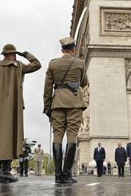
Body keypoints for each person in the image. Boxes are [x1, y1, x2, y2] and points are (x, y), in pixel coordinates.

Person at [0, 44, 41, 183]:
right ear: (14, 54)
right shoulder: (18, 66)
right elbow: (37, 64)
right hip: (11, 107)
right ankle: (5, 171)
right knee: (9, 136)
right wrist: (26, 54)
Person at [43, 37, 87, 184]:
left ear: (62, 50)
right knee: (72, 135)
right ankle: (67, 175)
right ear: (73, 49)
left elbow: (47, 88)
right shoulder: (80, 63)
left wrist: (47, 106)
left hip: (57, 103)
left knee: (57, 136)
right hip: (74, 102)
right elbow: (84, 82)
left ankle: (57, 175)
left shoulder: (53, 64)